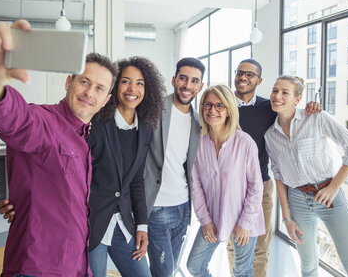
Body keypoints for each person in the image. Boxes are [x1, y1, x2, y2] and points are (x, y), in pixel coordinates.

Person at [0, 20, 117, 276]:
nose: (89, 93)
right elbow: (16, 120)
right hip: (37, 267)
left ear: (105, 101)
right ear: (68, 81)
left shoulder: (84, 138)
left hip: (75, 264)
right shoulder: (45, 122)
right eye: (84, 81)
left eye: (99, 88)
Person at [264, 75, 348, 277]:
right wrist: (286, 218)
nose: (277, 96)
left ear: (297, 99)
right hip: (297, 200)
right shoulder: (270, 135)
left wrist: (334, 187)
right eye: (275, 90)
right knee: (308, 266)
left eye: (284, 92)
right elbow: (278, 175)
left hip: (330, 198)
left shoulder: (316, 117)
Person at [227, 59, 321, 277]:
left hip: (260, 185)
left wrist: (312, 107)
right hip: (228, 187)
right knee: (234, 244)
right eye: (240, 72)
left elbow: (290, 110)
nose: (243, 77)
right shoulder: (223, 104)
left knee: (260, 245)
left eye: (249, 74)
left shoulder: (268, 108)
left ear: (259, 80)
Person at [86, 57, 165, 277]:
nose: (133, 89)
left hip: (123, 223)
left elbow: (137, 180)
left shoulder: (146, 128)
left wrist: (142, 225)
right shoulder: (96, 125)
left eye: (140, 83)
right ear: (114, 85)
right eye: (125, 81)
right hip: (92, 224)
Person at [186, 85, 265, 277]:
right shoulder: (198, 143)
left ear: (229, 110)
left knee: (241, 272)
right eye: (208, 105)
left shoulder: (244, 142)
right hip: (212, 218)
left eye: (219, 106)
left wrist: (245, 223)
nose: (212, 110)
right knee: (194, 266)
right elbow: (196, 187)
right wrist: (205, 220)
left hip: (244, 219)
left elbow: (256, 187)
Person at [143, 57, 205, 277]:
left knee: (170, 268)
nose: (187, 85)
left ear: (200, 86)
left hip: (183, 206)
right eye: (183, 78)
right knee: (163, 270)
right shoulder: (153, 110)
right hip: (158, 206)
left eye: (194, 81)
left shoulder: (199, 122)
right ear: (174, 79)